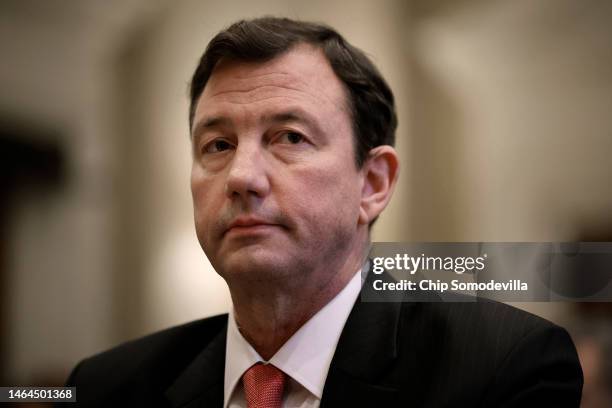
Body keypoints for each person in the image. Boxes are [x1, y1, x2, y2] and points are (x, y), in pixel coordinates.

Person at [63, 17, 583, 407]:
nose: (242, 177)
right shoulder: (106, 388)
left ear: (372, 184)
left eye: (290, 137)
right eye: (218, 145)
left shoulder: (505, 369)